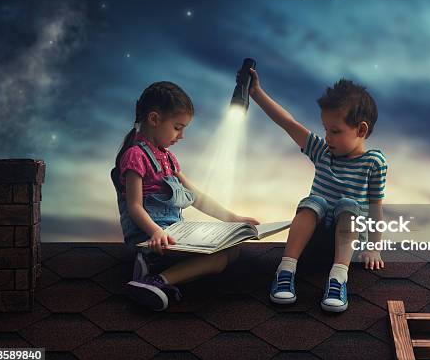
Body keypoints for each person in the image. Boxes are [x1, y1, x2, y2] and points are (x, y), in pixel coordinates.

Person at [111, 81, 258, 311]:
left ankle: (162, 278)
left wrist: (233, 218)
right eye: (178, 127)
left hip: (174, 233)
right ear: (154, 119)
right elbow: (135, 206)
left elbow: (196, 197)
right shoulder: (135, 156)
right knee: (218, 260)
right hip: (153, 239)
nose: (181, 136)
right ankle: (153, 281)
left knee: (232, 250)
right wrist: (156, 232)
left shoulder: (168, 159)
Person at [248, 69, 387, 312]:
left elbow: (376, 207)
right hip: (316, 240)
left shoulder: (374, 163)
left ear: (361, 130)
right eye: (325, 129)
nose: (327, 137)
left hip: (347, 243)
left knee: (348, 205)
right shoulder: (322, 151)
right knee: (314, 202)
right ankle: (286, 269)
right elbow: (288, 123)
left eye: (335, 131)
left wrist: (374, 247)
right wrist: (256, 93)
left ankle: (338, 278)